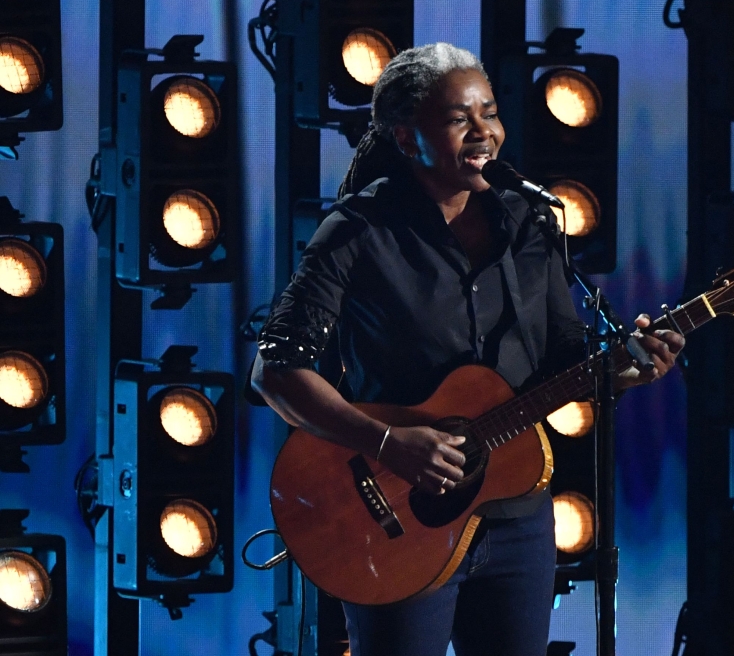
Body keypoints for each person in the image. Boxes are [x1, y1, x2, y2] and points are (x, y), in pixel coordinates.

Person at [251, 42, 684, 656]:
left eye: (491, 113)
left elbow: (563, 358)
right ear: (408, 139)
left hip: (517, 516)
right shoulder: (358, 229)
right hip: (395, 517)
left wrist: (621, 370)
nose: (485, 132)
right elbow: (276, 371)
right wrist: (389, 444)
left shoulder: (531, 222)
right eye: (460, 119)